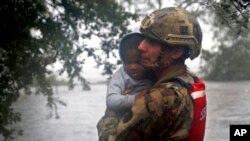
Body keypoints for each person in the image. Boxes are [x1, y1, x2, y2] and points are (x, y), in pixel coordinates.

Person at [115, 7, 207, 141]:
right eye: (143, 38)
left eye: (151, 41)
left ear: (176, 52)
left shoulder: (159, 98)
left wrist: (113, 110)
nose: (141, 46)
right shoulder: (191, 80)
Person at [97, 32, 155, 141]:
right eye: (128, 63)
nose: (133, 67)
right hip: (123, 122)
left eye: (138, 62)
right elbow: (111, 100)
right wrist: (135, 99)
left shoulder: (153, 73)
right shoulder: (121, 75)